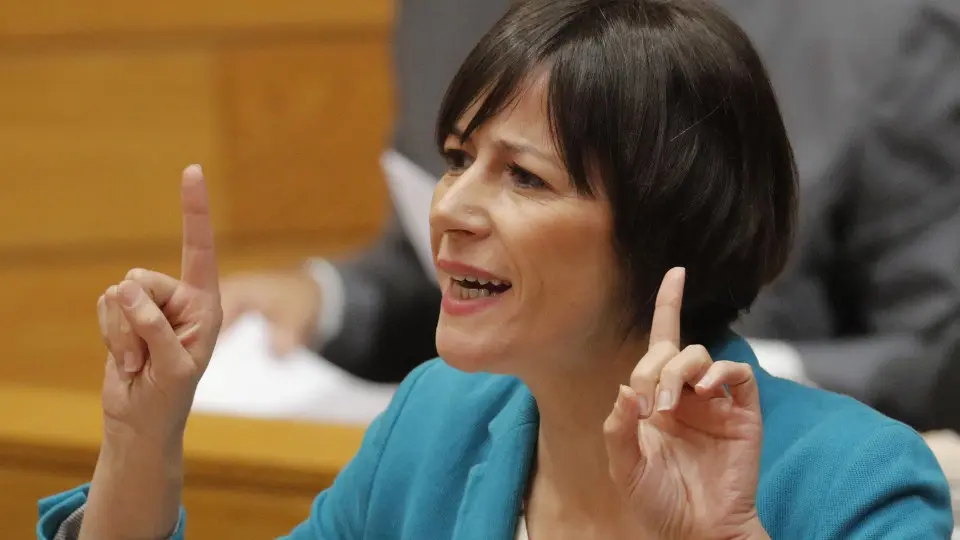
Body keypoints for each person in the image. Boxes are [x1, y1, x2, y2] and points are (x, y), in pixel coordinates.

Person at [40, 1, 953, 538]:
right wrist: (143, 440)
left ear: (663, 226)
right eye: (455, 158)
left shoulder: (853, 481)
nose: (450, 208)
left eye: (523, 176)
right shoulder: (435, 424)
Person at [220, 0, 960, 431]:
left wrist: (730, 372)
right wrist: (332, 297)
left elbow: (940, 345)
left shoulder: (884, 29)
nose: (460, 195)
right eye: (457, 160)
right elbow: (451, 249)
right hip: (515, 436)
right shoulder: (445, 15)